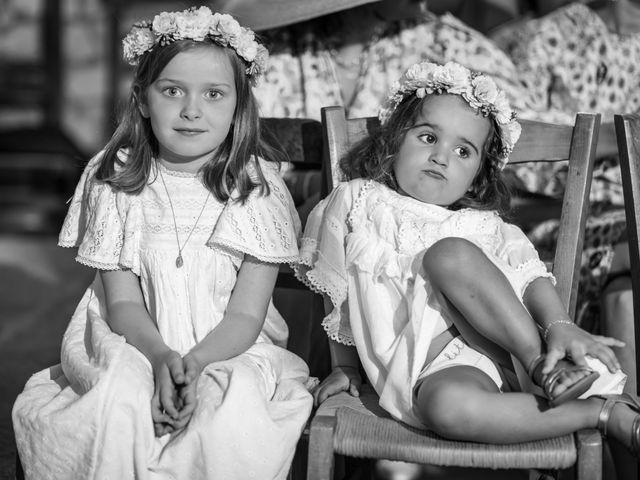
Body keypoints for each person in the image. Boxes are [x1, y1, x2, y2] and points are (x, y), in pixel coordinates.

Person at [12, 7, 313, 480]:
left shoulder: (257, 190)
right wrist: (160, 358)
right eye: (172, 91)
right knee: (117, 403)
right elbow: (123, 302)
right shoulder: (115, 181)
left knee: (226, 416)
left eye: (214, 94)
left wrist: (192, 363)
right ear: (144, 100)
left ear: (238, 105)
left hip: (229, 347)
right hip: (132, 338)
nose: (191, 110)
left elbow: (246, 315)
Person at [294, 61, 639, 456]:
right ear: (393, 142)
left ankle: (543, 365)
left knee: (449, 255)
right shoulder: (357, 199)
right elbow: (336, 289)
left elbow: (530, 277)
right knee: (447, 410)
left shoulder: (483, 224)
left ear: (477, 175)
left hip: (506, 350)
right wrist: (347, 367)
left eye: (463, 151)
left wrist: (560, 325)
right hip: (433, 371)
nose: (442, 157)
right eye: (427, 138)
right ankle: (600, 413)